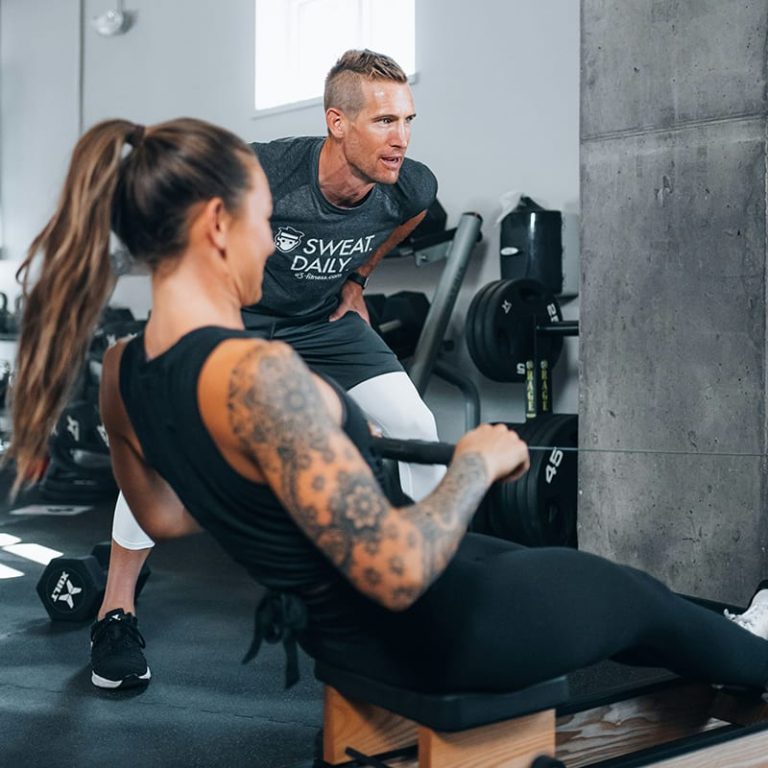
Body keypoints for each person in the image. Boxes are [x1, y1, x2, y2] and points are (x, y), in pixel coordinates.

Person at [10, 117, 768, 708]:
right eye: (264, 222)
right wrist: (473, 466)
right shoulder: (259, 376)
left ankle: (733, 640)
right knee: (636, 600)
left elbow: (170, 516)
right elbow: (399, 572)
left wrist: (323, 460)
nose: (272, 246)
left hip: (335, 636)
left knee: (571, 580)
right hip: (427, 631)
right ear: (216, 226)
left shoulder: (122, 368)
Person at [88, 49, 447, 689]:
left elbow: (413, 216)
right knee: (164, 448)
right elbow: (182, 224)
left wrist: (360, 275)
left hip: (324, 325)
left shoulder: (410, 184)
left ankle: (429, 600)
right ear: (338, 122)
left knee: (418, 428)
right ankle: (116, 610)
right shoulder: (263, 170)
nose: (402, 139)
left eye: (408, 120)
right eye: (384, 122)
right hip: (241, 322)